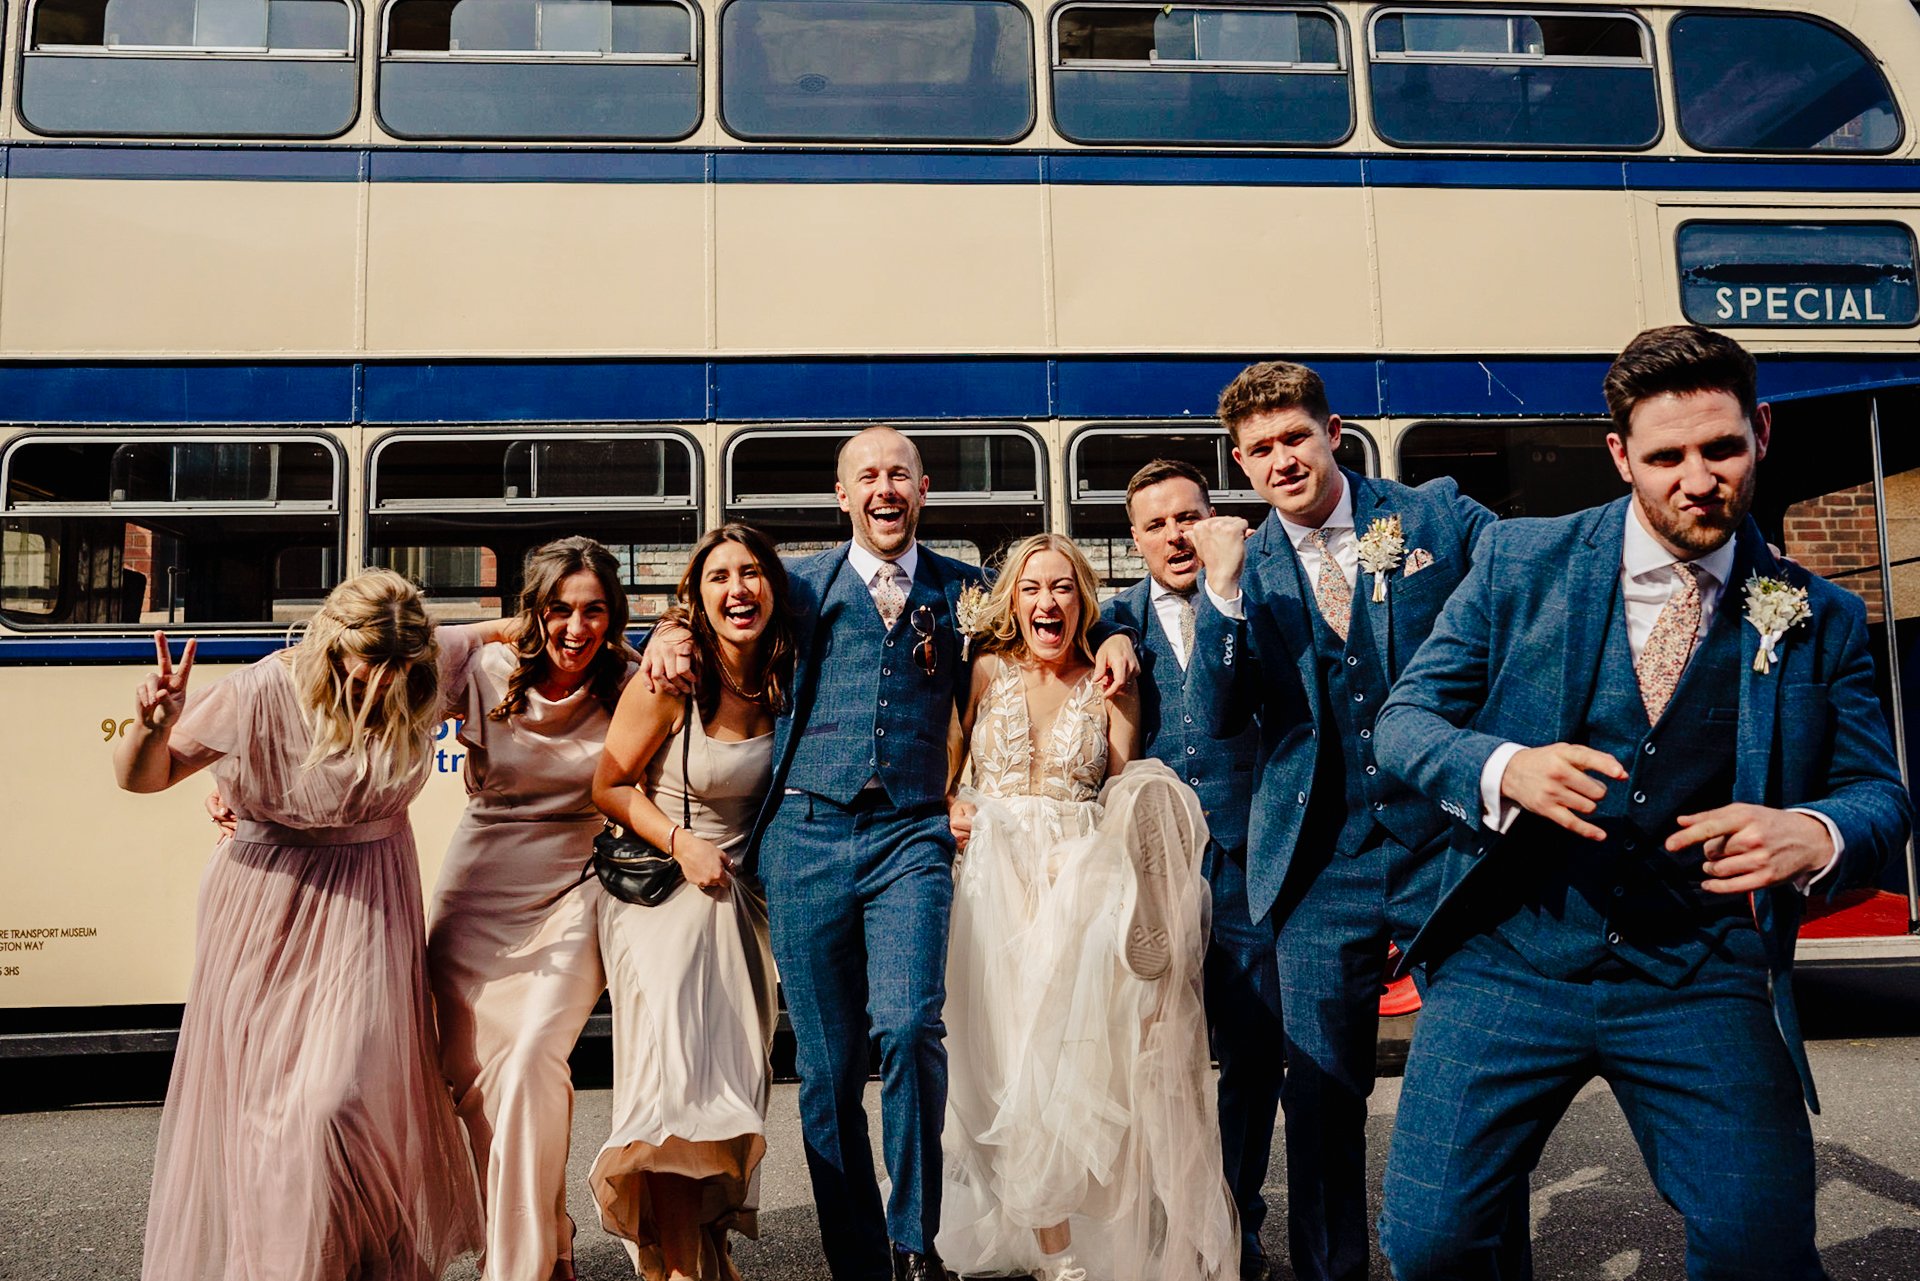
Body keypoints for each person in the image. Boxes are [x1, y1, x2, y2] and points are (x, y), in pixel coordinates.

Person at [1372, 324, 1912, 1279]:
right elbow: (1405, 720)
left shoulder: (1816, 614)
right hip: (1512, 960)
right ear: (1621, 454)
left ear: (1762, 435)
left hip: (1699, 968)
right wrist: (1504, 768)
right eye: (1666, 456)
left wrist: (1814, 828)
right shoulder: (1519, 563)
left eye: (1721, 448)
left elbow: (1880, 794)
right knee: (1432, 1243)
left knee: (1760, 1245)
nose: (1697, 478)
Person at [640, 426, 1137, 1281]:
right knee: (828, 1067)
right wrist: (667, 629)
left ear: (923, 487)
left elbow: (1051, 601)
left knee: (910, 1027)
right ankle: (859, 1260)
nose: (884, 488)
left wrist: (1122, 628)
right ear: (842, 496)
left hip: (912, 832)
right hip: (806, 834)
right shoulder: (797, 586)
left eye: (898, 474)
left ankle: (915, 1242)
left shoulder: (965, 589)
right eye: (866, 475)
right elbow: (718, 605)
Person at [1188, 361, 1497, 1281]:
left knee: (1480, 1088)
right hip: (1319, 865)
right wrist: (1225, 595)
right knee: (1320, 1099)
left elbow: (1528, 586)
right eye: (1260, 450)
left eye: (1294, 437)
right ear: (1240, 463)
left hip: (1448, 847)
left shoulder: (1433, 513)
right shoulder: (1247, 563)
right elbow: (1213, 711)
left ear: (1335, 431)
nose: (1281, 459)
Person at [114, 569, 489, 1281]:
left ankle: (357, 1258)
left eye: (402, 665)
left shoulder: (417, 666)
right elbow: (143, 777)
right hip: (264, 909)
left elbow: (521, 631)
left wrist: (660, 641)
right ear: (334, 644)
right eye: (371, 661)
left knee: (342, 1098)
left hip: (371, 902)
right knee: (273, 1116)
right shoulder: (258, 692)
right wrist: (151, 725)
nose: (386, 680)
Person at [938, 532, 1235, 1281]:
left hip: (1075, 885)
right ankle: (1040, 1236)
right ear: (1014, 598)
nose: (1048, 602)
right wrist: (952, 810)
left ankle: (1066, 1250)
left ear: (1083, 601)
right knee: (999, 1063)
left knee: (1069, 1069)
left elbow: (1123, 789)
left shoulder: (1112, 681)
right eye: (1034, 587)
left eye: (1063, 588)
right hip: (990, 885)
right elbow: (943, 775)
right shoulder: (983, 672)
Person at [426, 537, 637, 1281]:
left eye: (592, 611)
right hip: (479, 884)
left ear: (612, 617)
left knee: (532, 1059)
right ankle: (546, 1232)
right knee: (474, 1074)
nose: (575, 629)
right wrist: (491, 631)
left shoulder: (632, 682)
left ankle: (518, 1265)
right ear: (532, 612)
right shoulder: (483, 670)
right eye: (557, 610)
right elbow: (386, 656)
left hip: (578, 883)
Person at [588, 524, 789, 1281]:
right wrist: (682, 842)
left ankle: (703, 1246)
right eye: (717, 578)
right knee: (676, 1096)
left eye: (751, 573)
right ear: (696, 597)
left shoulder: (784, 670)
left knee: (726, 1093)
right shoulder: (671, 677)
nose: (737, 589)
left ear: (773, 585)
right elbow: (606, 784)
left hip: (744, 908)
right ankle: (679, 1269)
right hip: (665, 896)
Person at [1102, 459, 1282, 1281]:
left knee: (1251, 1054)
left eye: (1189, 516)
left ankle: (1238, 1218)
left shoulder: (1262, 591)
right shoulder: (1115, 618)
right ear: (1133, 538)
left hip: (1249, 861)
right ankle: (1174, 1225)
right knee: (1157, 1064)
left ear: (1214, 517)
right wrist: (1107, 627)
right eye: (1158, 523)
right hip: (1153, 876)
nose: (1177, 534)